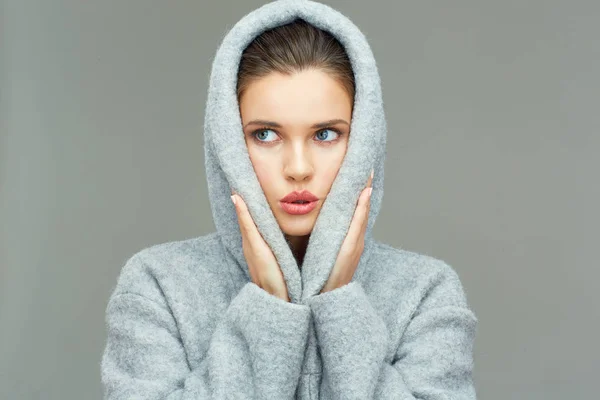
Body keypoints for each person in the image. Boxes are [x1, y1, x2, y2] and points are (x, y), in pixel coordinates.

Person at [100, 1, 478, 399]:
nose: (298, 168)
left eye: (326, 134)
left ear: (365, 141)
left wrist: (340, 306)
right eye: (265, 134)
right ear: (227, 144)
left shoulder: (425, 294)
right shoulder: (158, 287)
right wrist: (267, 310)